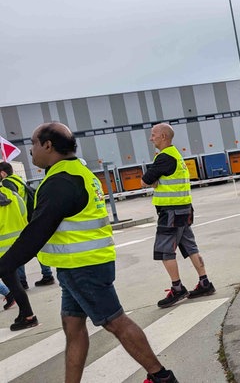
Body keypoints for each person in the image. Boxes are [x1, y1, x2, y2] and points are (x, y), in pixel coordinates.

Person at [0, 122, 178, 383]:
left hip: (81, 267)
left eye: (33, 146)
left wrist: (3, 265)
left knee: (115, 322)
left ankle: (161, 377)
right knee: (73, 328)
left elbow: (35, 234)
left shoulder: (59, 181)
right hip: (81, 266)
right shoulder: (78, 172)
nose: (31, 152)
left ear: (48, 145)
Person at [141, 123, 216, 308]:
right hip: (185, 209)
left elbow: (144, 182)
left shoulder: (164, 158)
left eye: (153, 135)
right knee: (190, 246)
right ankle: (205, 282)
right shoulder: (176, 155)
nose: (151, 139)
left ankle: (177, 288)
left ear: (164, 137)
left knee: (165, 250)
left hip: (170, 212)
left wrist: (154, 182)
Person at [0, 161, 55, 287]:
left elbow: (10, 202)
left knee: (16, 252)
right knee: (34, 249)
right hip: (29, 218)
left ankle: (22, 281)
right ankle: (47, 275)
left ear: (3, 173)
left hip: (19, 222)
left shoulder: (7, 183)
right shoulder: (19, 180)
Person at [0, 182, 37, 330]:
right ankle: (25, 314)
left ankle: (28, 316)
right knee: (14, 283)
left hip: (1, 250)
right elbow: (24, 217)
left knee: (14, 284)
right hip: (17, 247)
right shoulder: (14, 195)